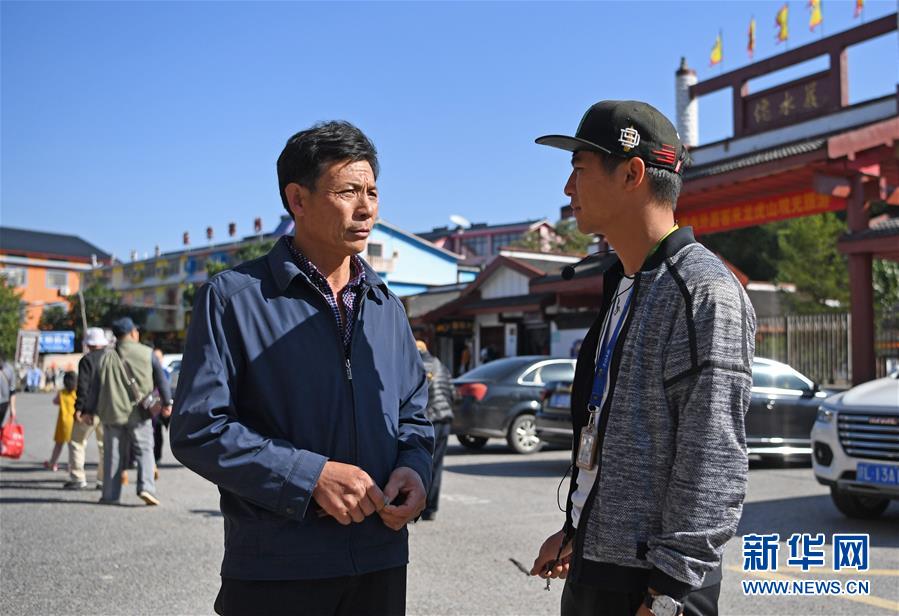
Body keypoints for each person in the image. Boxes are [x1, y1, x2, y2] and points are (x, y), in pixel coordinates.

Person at [171, 121, 434, 616]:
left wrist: (415, 469)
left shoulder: (387, 307)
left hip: (379, 563)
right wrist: (309, 477)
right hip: (277, 568)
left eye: (372, 192)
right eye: (348, 191)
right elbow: (198, 429)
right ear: (298, 199)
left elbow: (414, 416)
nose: (366, 208)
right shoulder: (233, 300)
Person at [529, 101, 756, 616]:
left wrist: (669, 594)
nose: (567, 189)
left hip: (654, 586)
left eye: (579, 170)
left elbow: (713, 460)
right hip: (598, 565)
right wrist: (577, 530)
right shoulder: (625, 282)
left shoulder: (704, 292)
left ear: (632, 173)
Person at [85, 317, 172, 506]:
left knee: (113, 454)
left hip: (112, 413)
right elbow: (161, 379)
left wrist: (88, 410)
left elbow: (95, 388)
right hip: (139, 413)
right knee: (144, 450)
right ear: (133, 333)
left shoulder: (105, 357)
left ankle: (110, 495)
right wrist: (167, 402)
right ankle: (146, 488)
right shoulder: (147, 353)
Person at [65, 327, 108, 490]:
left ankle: (78, 477)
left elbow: (83, 386)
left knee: (77, 442)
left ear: (89, 344)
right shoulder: (110, 358)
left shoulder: (86, 360)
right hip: (107, 409)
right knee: (104, 446)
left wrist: (80, 408)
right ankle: (103, 480)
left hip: (89, 410)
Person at [415, 340, 454, 521]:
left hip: (430, 419)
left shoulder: (418, 365)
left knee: (420, 463)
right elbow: (452, 392)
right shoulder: (441, 366)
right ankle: (431, 509)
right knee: (437, 465)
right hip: (445, 417)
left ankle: (418, 507)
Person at [45, 371, 77, 471]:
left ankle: (52, 463)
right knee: (72, 447)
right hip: (73, 422)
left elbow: (55, 401)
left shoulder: (62, 393)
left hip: (62, 423)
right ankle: (71, 466)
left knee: (58, 445)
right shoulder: (76, 393)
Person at [0, 354, 18, 428]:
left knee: (2, 426)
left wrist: (12, 408)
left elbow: (12, 390)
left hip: (3, 403)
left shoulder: (9, 369)